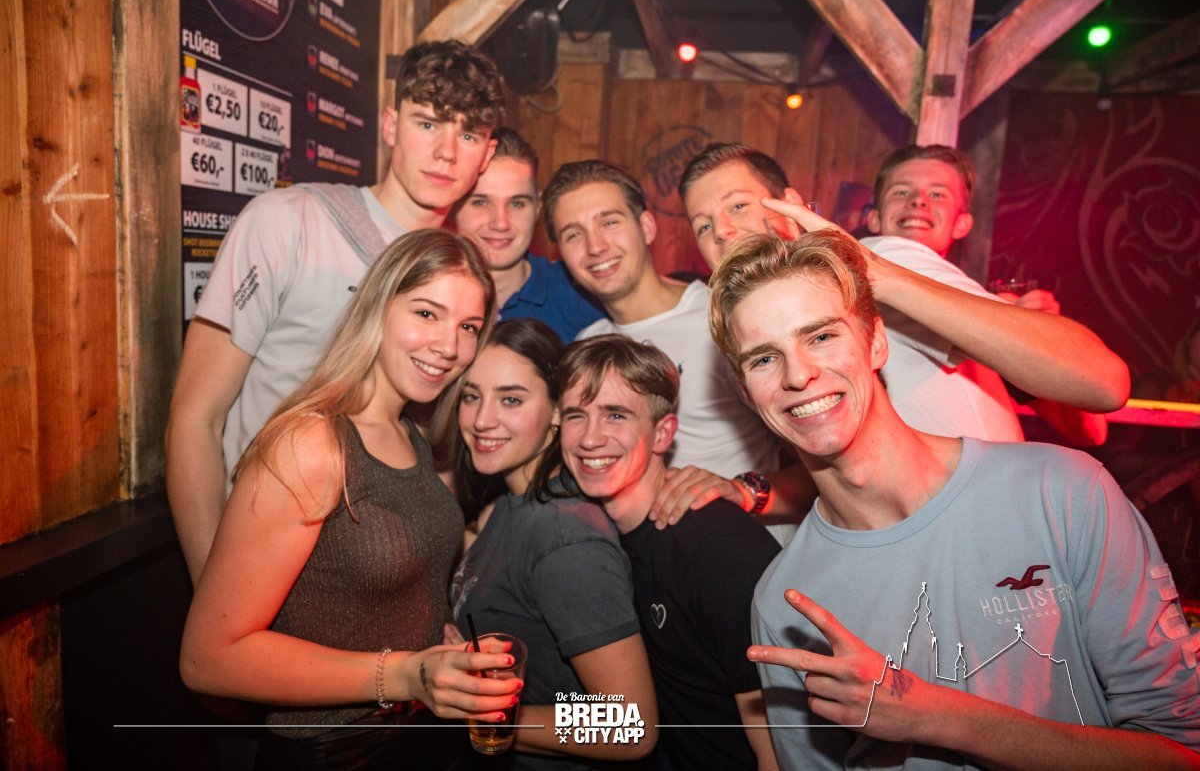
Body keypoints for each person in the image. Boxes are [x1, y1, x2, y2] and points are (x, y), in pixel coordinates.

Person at [705, 230, 1200, 770]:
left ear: (876, 341)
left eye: (821, 336)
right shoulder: (784, 602)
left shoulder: (1060, 492)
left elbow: (1180, 754)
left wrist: (936, 718)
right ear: (745, 391)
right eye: (763, 359)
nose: (799, 374)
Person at [167, 40, 507, 584]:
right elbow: (195, 418)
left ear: (486, 156)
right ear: (391, 125)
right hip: (261, 559)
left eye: (467, 135)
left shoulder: (463, 283)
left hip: (380, 575)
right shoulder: (290, 221)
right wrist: (216, 590)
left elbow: (434, 445)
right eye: (428, 123)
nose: (446, 151)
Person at [180, 231, 519, 771]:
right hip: (333, 753)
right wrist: (404, 673)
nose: (449, 346)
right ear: (378, 308)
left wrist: (431, 637)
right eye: (427, 314)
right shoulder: (312, 445)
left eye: (468, 327)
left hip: (415, 742)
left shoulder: (409, 433)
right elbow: (208, 660)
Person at [678, 142, 1128, 448]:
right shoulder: (749, 335)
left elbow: (1102, 384)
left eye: (738, 205)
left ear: (791, 202)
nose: (722, 230)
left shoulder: (881, 257)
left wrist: (876, 272)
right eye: (703, 224)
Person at [543, 159, 814, 528]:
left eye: (609, 222)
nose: (596, 247)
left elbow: (821, 467)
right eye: (574, 234)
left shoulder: (722, 320)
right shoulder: (588, 345)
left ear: (646, 226)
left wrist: (742, 492)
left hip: (742, 549)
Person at [438, 318, 657, 769]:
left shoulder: (566, 540)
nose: (482, 420)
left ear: (557, 411)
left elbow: (629, 726)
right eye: (472, 396)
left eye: (511, 399)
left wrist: (487, 714)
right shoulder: (509, 504)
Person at [556, 334, 781, 771]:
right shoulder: (595, 538)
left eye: (615, 415)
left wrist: (514, 724)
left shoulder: (717, 550)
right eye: (575, 416)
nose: (590, 438)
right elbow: (630, 718)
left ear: (663, 433)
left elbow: (778, 751)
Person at [866, 143, 1109, 446]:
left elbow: (1088, 431)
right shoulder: (866, 282)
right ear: (874, 219)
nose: (918, 201)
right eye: (901, 192)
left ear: (961, 224)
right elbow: (1105, 393)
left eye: (937, 194)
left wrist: (1042, 336)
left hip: (1001, 474)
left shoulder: (976, 311)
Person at [451, 128, 604, 343]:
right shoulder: (428, 292)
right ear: (453, 205)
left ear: (538, 208)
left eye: (517, 203)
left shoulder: (580, 295)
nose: (501, 223)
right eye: (481, 202)